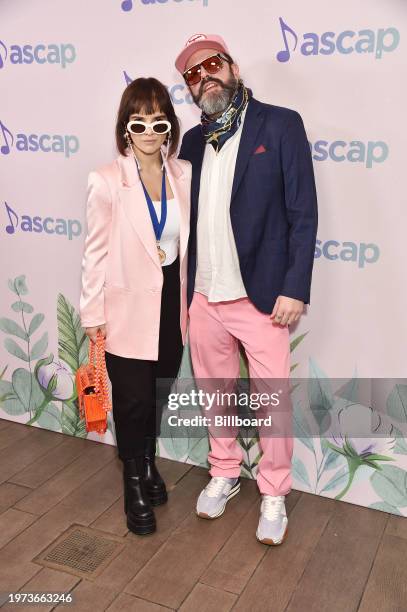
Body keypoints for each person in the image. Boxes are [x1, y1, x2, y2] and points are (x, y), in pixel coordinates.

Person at [175, 34, 318, 545]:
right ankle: (225, 471)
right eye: (193, 73)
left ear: (232, 66)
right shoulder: (191, 143)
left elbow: (303, 213)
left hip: (263, 297)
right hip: (205, 296)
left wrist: (295, 286)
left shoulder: (280, 124)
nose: (203, 76)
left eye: (211, 64)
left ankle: (274, 492)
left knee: (272, 401)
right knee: (215, 394)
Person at [79, 78, 191, 536]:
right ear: (126, 128)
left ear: (169, 128)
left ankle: (147, 463)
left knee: (158, 396)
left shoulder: (183, 173)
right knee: (131, 401)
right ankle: (134, 483)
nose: (148, 131)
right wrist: (92, 316)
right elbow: (95, 253)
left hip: (171, 306)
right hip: (124, 307)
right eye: (138, 122)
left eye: (158, 121)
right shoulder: (106, 180)